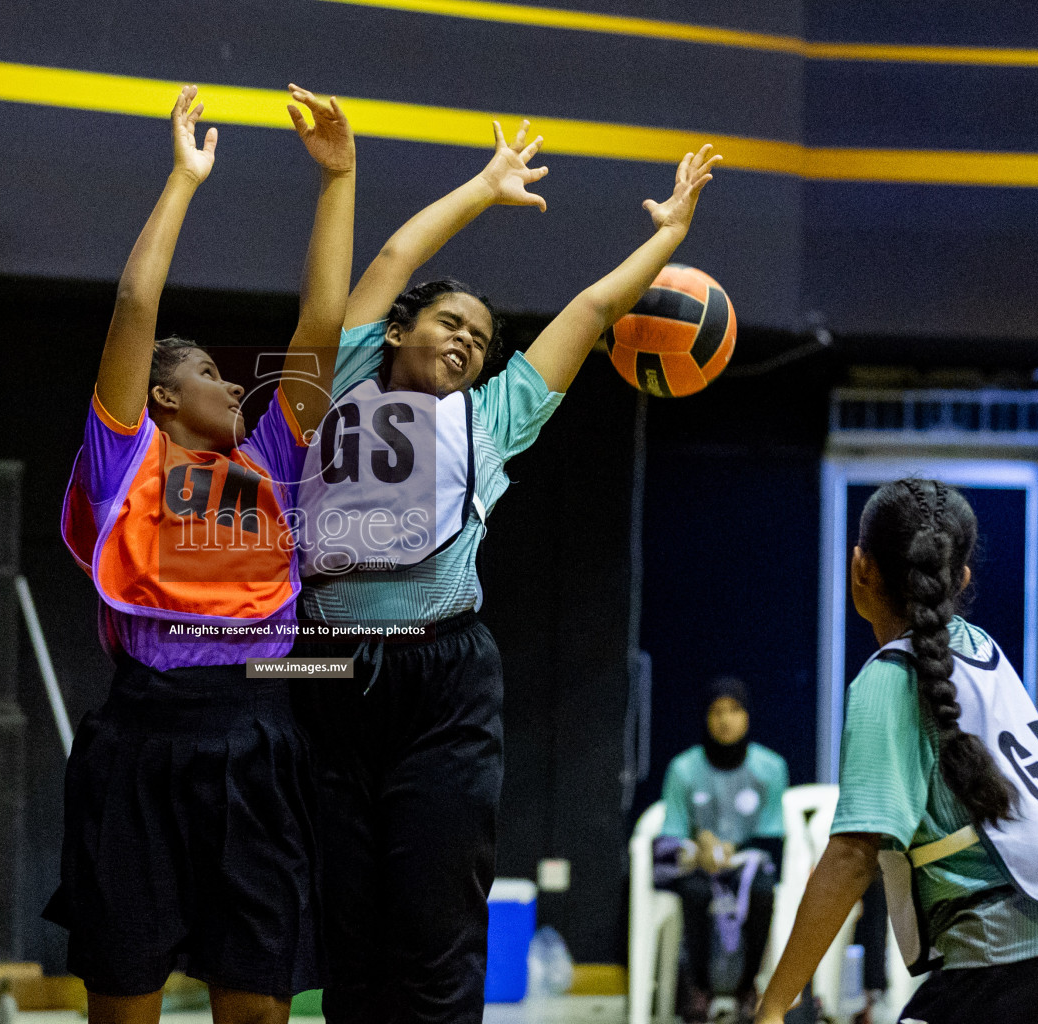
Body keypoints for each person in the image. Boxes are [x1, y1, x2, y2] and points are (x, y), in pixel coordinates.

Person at [291, 124, 721, 1023]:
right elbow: (398, 250)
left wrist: (670, 237)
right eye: (451, 323)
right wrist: (486, 187)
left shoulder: (493, 419)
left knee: (436, 920)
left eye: (481, 341)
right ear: (399, 329)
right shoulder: (340, 377)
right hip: (327, 664)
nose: (467, 343)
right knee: (349, 925)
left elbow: (593, 313)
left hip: (444, 678)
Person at [43, 83, 355, 1024]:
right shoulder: (124, 460)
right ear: (166, 398)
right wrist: (184, 179)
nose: (233, 384)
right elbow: (137, 299)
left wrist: (338, 179)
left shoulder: (272, 462)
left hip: (254, 735)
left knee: (257, 1009)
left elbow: (322, 325)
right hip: (138, 742)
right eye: (213, 374)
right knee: (124, 1007)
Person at [756, 479, 1038, 1024]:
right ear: (961, 578)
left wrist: (775, 1005)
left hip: (1008, 959)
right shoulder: (981, 648)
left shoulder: (890, 679)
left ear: (860, 567)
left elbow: (852, 857)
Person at [655, 677, 788, 1022]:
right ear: (705, 718)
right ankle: (698, 989)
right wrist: (696, 849)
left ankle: (748, 988)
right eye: (716, 711)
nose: (725, 719)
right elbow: (664, 847)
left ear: (747, 716)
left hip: (750, 867)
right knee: (694, 891)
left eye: (734, 710)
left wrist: (734, 850)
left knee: (762, 892)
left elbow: (775, 839)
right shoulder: (683, 769)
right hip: (699, 868)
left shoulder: (770, 768)